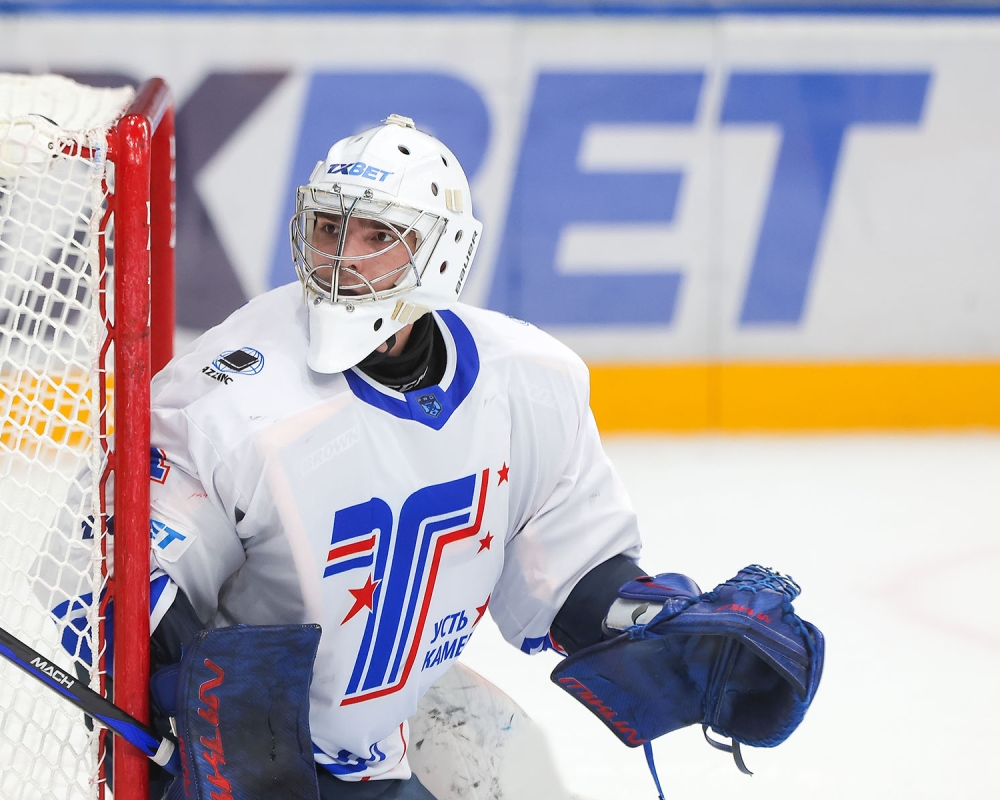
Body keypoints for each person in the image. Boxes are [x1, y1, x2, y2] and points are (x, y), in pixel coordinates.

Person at [143, 114, 655, 799]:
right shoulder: (228, 399)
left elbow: (571, 571)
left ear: (441, 253)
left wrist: (661, 627)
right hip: (235, 775)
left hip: (382, 754)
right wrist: (205, 706)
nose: (340, 258)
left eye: (378, 235)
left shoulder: (524, 380)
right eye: (329, 227)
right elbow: (119, 581)